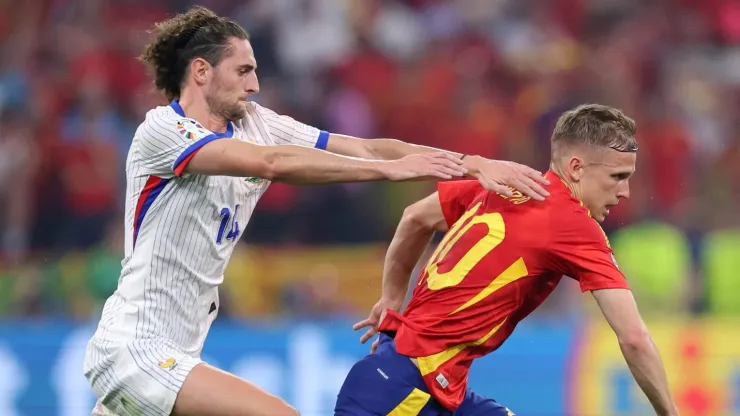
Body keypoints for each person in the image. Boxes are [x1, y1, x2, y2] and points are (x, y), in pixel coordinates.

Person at [82, 6, 551, 416]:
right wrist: (392, 174)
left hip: (180, 350)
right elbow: (271, 164)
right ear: (201, 71)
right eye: (243, 71)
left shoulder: (257, 122)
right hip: (137, 347)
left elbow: (365, 147)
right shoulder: (162, 131)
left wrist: (470, 164)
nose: (256, 84)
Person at [340, 104, 679, 416]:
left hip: (413, 382)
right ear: (576, 168)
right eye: (617, 177)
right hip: (403, 392)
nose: (625, 192)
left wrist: (391, 299)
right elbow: (634, 338)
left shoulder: (504, 184)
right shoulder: (574, 225)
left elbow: (416, 218)